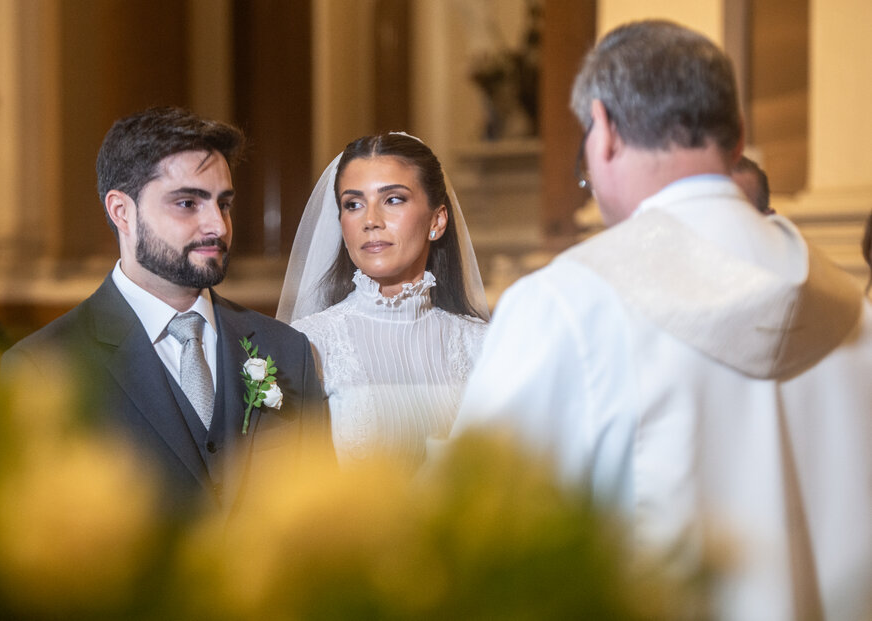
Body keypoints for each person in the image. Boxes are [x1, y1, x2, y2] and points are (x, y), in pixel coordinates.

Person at [453, 20, 872, 621]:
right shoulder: (851, 307)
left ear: (605, 131)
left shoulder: (566, 304)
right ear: (738, 136)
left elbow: (475, 542)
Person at [2, 107, 329, 515]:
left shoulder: (286, 351)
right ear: (122, 211)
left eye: (223, 204)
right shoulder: (44, 368)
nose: (218, 226)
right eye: (188, 203)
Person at [277, 133, 489, 473]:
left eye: (393, 199)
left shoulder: (482, 346)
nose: (370, 220)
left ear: (437, 221)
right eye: (353, 204)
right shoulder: (309, 343)